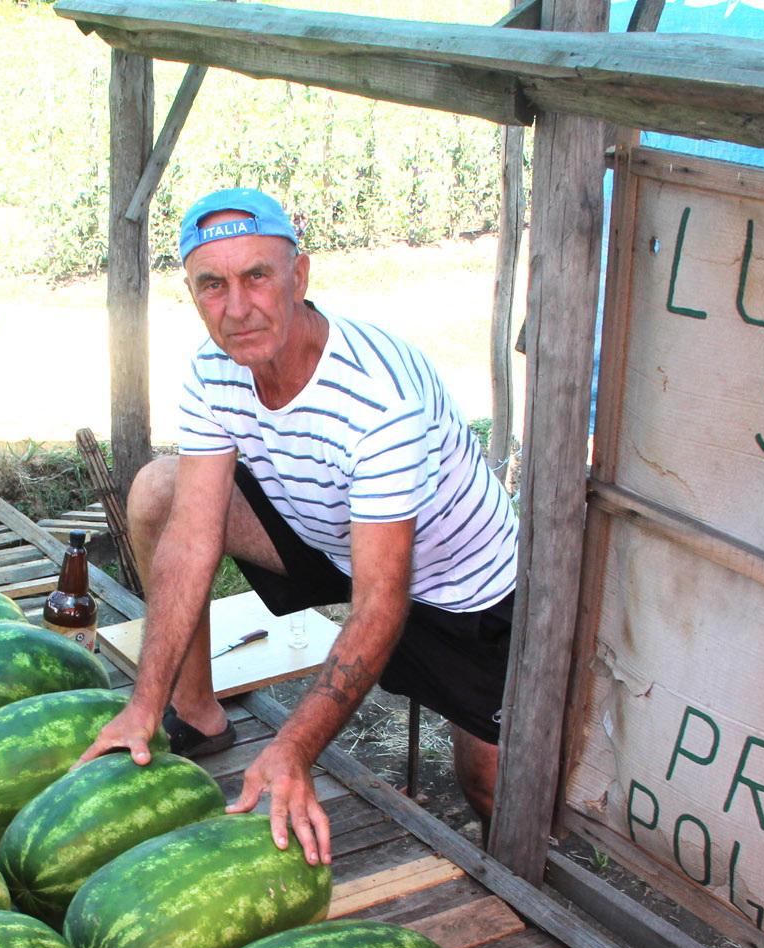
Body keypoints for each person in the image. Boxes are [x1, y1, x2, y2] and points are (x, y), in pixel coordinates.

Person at [82, 187, 522, 866]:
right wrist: (143, 702)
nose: (237, 307)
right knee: (161, 492)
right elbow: (194, 534)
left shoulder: (380, 397)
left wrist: (292, 747)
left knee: (490, 783)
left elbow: (382, 601)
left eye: (257, 275)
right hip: (334, 535)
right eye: (213, 284)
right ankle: (193, 710)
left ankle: (521, 896)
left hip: (461, 589)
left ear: (301, 275)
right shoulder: (211, 371)